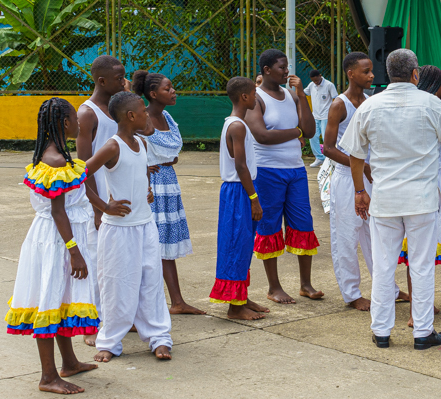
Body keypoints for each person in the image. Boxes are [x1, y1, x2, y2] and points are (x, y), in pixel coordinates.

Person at [341, 49, 441, 350]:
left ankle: (381, 331)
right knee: (421, 266)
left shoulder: (371, 106)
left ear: (386, 72)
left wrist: (359, 191)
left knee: (383, 265)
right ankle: (422, 332)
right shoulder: (432, 104)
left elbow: (355, 155)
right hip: (422, 200)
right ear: (415, 73)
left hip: (385, 199)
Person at [6, 98, 99, 394]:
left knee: (60, 297)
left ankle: (69, 361)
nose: (79, 123)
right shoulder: (55, 161)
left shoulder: (57, 154)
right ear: (64, 124)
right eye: (75, 118)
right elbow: (58, 211)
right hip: (58, 241)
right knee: (49, 297)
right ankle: (48, 377)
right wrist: (75, 252)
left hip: (57, 236)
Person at [84, 91, 173, 362]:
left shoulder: (141, 144)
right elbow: (79, 176)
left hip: (145, 226)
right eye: (143, 111)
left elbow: (141, 170)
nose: (147, 114)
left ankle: (159, 337)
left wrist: (146, 189)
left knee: (151, 282)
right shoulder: (112, 146)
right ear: (130, 116)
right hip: (118, 230)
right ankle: (110, 342)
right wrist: (103, 206)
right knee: (116, 285)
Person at [244, 49, 322, 304]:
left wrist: (301, 96)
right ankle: (273, 287)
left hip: (296, 170)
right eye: (282, 67)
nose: (287, 71)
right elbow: (262, 136)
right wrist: (295, 131)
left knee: (304, 224)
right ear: (267, 70)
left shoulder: (291, 95)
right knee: (269, 227)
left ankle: (306, 284)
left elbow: (309, 131)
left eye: (287, 67)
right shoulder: (257, 99)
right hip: (267, 171)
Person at [398, 65, 441, 326]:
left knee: (419, 247)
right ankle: (418, 308)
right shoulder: (432, 108)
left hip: (424, 179)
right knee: (420, 247)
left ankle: (421, 301)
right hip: (430, 181)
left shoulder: (416, 106)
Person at [133, 70, 202, 316]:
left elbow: (174, 148)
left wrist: (163, 156)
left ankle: (177, 301)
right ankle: (144, 306)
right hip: (151, 185)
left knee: (164, 245)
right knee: (150, 245)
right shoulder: (142, 120)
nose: (173, 91)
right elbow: (139, 149)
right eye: (168, 88)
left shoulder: (168, 116)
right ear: (153, 94)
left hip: (168, 183)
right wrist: (149, 161)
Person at [321, 52, 378, 311]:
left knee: (375, 234)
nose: (371, 75)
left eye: (372, 70)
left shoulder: (368, 101)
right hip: (346, 177)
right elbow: (328, 148)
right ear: (350, 73)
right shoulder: (339, 104)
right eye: (365, 71)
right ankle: (352, 293)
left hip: (367, 176)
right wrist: (360, 165)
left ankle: (385, 285)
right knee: (346, 235)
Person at [75, 55, 125, 346]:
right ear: (101, 81)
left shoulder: (118, 109)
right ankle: (91, 325)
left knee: (117, 262)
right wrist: (97, 207)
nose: (123, 81)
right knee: (96, 263)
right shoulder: (88, 113)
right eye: (118, 78)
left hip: (119, 200)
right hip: (97, 203)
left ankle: (116, 317)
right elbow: (84, 167)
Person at [211, 77, 271, 321]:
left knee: (244, 243)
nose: (257, 98)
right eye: (254, 94)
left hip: (241, 190)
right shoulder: (237, 126)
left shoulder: (237, 124)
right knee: (236, 244)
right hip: (238, 191)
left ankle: (241, 296)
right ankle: (234, 307)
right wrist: (254, 198)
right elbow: (241, 166)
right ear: (244, 97)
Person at [305, 69, 338, 168]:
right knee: (312, 137)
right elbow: (304, 93)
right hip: (315, 116)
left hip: (326, 116)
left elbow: (335, 99)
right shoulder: (311, 85)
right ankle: (319, 158)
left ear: (320, 76)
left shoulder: (329, 85)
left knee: (326, 138)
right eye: (313, 81)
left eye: (316, 80)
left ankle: (329, 160)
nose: (315, 82)